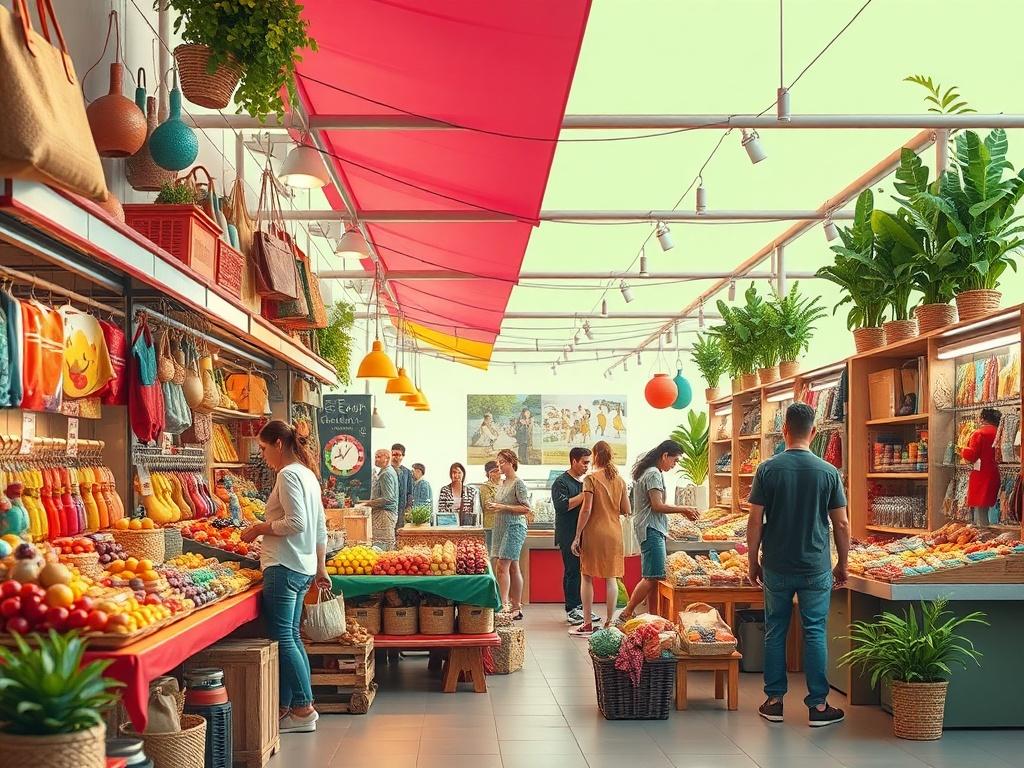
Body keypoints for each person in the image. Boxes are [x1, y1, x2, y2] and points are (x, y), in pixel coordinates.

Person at [746, 402, 849, 728]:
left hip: (776, 564)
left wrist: (752, 561)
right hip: (815, 565)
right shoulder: (829, 472)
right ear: (813, 431)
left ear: (784, 430)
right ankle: (818, 705)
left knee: (775, 630)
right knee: (815, 631)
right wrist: (842, 563)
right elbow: (841, 524)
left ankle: (774, 702)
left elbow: (754, 520)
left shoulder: (767, 470)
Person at [240, 420, 329, 734]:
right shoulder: (308, 475)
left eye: (264, 448)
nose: (263, 455)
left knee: (284, 637)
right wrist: (320, 567)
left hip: (284, 565)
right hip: (302, 566)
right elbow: (319, 527)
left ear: (279, 443)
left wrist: (258, 529)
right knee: (292, 636)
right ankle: (290, 708)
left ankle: (304, 709)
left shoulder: (289, 474)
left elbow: (297, 523)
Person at [617, 440, 698, 623]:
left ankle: (652, 616)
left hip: (650, 527)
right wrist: (683, 509)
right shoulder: (653, 473)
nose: (674, 465)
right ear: (665, 455)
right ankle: (628, 611)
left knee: (654, 576)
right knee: (652, 577)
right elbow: (657, 505)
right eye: (674, 460)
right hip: (651, 528)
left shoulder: (649, 471)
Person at [570, 441, 630, 636]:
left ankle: (587, 623)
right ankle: (609, 623)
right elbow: (627, 509)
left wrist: (577, 535)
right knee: (611, 578)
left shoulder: (591, 479)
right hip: (614, 533)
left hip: (594, 533)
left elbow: (586, 509)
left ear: (595, 456)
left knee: (587, 576)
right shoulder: (620, 480)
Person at [487, 449, 530, 618]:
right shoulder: (503, 483)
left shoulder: (518, 483)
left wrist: (502, 507)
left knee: (502, 565)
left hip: (514, 527)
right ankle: (516, 607)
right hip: (501, 527)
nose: (499, 465)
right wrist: (495, 506)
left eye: (502, 462)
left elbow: (526, 508)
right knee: (513, 566)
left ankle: (503, 606)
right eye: (498, 462)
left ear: (511, 462)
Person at [551, 447, 591, 625]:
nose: (587, 466)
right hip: (568, 533)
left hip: (584, 534)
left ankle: (582, 608)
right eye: (584, 462)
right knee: (572, 571)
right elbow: (563, 506)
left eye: (589, 463)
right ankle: (572, 609)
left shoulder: (585, 482)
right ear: (574, 461)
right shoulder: (561, 482)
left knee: (584, 572)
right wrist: (584, 495)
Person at [962, 408, 1002, 527]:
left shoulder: (978, 433)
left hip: (981, 476)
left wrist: (963, 450)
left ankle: (983, 533)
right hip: (994, 472)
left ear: (983, 418)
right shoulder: (999, 432)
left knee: (981, 509)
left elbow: (972, 455)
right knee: (991, 507)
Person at [365, 449, 399, 549]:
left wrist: (368, 504)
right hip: (383, 513)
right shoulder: (385, 471)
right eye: (375, 457)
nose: (376, 459)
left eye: (379, 457)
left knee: (383, 546)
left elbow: (388, 498)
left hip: (384, 514)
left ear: (387, 458)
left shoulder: (386, 473)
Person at [391, 443, 414, 531]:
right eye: (394, 454)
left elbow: (410, 491)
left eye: (398, 455)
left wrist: (409, 507)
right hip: (389, 509)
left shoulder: (407, 472)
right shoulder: (387, 471)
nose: (396, 457)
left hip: (402, 509)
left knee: (400, 531)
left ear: (402, 456)